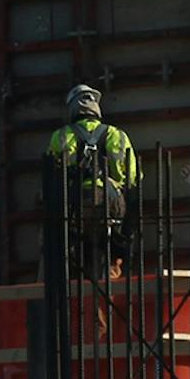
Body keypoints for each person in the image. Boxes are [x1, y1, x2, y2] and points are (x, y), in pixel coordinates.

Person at [46, 84, 140, 279]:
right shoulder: (117, 135)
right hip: (111, 199)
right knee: (113, 244)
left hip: (76, 201)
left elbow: (51, 177)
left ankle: (72, 280)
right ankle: (112, 275)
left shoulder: (61, 136)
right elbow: (132, 178)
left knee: (70, 245)